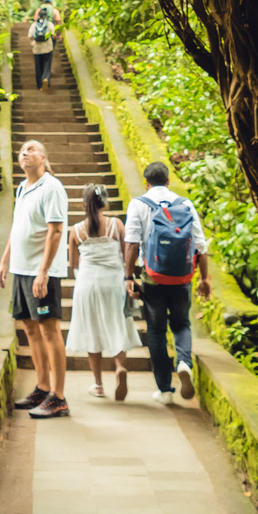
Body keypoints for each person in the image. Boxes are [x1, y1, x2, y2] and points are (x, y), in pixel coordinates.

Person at [125, 161, 213, 400]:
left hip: (151, 278)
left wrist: (129, 277)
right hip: (182, 277)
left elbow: (132, 244)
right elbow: (200, 245)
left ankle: (164, 389)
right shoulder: (184, 204)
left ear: (146, 182)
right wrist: (204, 278)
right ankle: (184, 363)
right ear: (168, 181)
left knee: (155, 332)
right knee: (182, 324)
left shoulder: (138, 204)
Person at [0, 139, 72, 418]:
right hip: (21, 269)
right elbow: (18, 227)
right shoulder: (22, 187)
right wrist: (5, 260)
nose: (24, 153)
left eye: (30, 149)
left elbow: (55, 231)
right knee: (29, 328)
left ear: (43, 156)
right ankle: (42, 388)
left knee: (49, 330)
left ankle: (59, 398)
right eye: (21, 151)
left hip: (42, 272)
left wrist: (43, 271)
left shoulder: (52, 187)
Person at [65, 187, 135, 401]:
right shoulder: (117, 225)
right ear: (104, 203)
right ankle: (119, 367)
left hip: (87, 285)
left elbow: (72, 264)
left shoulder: (76, 230)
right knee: (116, 326)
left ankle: (98, 385)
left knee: (91, 331)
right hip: (113, 283)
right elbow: (127, 255)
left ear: (83, 205)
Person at [28, 1, 59, 89]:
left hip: (37, 49)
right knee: (47, 65)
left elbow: (30, 36)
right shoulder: (49, 24)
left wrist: (34, 42)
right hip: (47, 48)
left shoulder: (34, 25)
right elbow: (53, 35)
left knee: (38, 67)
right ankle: (45, 78)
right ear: (46, 16)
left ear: (38, 15)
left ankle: (39, 85)